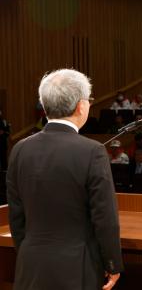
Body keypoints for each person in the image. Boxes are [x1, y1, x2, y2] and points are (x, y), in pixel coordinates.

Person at [6, 69, 123, 289]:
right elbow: (105, 217)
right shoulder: (93, 151)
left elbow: (16, 215)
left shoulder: (19, 149)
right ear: (81, 106)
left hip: (29, 265)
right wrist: (113, 263)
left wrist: (27, 253)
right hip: (76, 267)